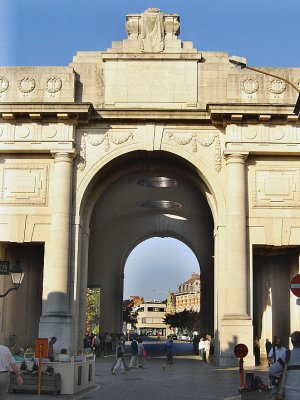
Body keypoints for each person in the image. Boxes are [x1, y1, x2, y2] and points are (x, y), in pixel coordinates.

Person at [269, 331, 300, 400]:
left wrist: (283, 374)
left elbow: (273, 370)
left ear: (292, 342)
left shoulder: (288, 354)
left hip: (291, 394)